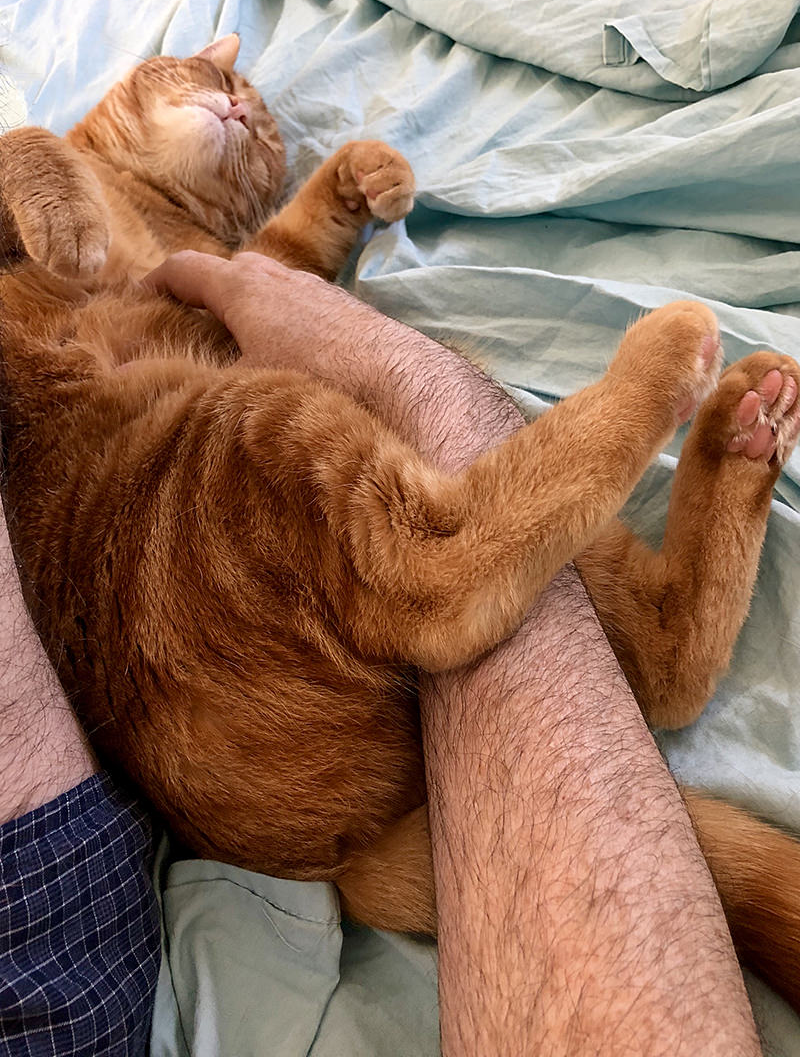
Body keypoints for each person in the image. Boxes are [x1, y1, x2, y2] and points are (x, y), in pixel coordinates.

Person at [0, 249, 763, 1056]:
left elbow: (250, 266)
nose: (234, 111)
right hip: (238, 712)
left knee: (345, 467)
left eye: (257, 121)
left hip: (284, 780)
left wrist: (324, 212)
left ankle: (660, 636)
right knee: (243, 437)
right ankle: (437, 565)